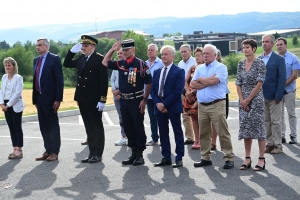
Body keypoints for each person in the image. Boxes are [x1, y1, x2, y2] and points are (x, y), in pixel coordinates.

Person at [102, 39, 152, 166]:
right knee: (128, 127)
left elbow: (148, 82)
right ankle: (133, 153)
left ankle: (140, 154)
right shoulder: (121, 63)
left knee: (138, 127)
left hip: (136, 100)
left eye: (127, 50)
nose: (124, 52)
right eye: (123, 50)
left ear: (133, 50)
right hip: (124, 100)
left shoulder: (140, 64)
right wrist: (113, 50)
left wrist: (144, 100)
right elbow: (105, 62)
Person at [64, 35, 108, 163]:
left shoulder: (99, 59)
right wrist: (71, 52)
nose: (83, 48)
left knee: (96, 126)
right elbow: (66, 64)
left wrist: (102, 100)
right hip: (82, 98)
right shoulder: (81, 58)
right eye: (82, 46)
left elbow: (103, 82)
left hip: (94, 99)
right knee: (88, 127)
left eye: (86, 46)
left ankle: (98, 154)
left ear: (92, 47)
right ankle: (91, 153)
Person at [190, 44, 235, 169]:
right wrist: (207, 81)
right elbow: (193, 84)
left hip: (216, 104)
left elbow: (214, 81)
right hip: (202, 105)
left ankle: (229, 157)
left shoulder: (221, 67)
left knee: (222, 132)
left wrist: (202, 80)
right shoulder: (199, 68)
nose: (205, 55)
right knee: (204, 133)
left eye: (207, 53)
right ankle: (205, 157)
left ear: (215, 55)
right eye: (204, 53)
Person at [151, 45, 185, 168]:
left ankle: (179, 157)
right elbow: (153, 91)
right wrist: (158, 104)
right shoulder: (157, 71)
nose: (163, 56)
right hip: (159, 107)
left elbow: (178, 91)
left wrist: (165, 104)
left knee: (177, 132)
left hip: (172, 106)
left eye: (166, 54)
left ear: (172, 56)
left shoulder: (179, 71)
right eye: (162, 54)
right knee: (163, 132)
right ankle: (166, 157)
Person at [236, 39, 267, 171]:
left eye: (247, 47)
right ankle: (247, 158)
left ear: (254, 49)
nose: (245, 49)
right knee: (246, 128)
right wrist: (242, 100)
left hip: (255, 100)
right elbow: (238, 83)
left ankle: (261, 159)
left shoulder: (260, 63)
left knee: (259, 128)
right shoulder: (240, 64)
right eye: (243, 47)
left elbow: (259, 83)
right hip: (243, 101)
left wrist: (248, 100)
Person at [33, 38, 64, 162]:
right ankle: (48, 150)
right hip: (39, 98)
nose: (37, 47)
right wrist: (35, 99)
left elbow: (59, 80)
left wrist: (58, 99)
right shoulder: (36, 60)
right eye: (36, 45)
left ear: (46, 46)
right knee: (43, 125)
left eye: (40, 45)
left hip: (51, 99)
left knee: (52, 125)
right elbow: (36, 78)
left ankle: (55, 152)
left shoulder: (54, 59)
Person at [258, 34, 286, 154]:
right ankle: (269, 144)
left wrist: (278, 96)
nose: (264, 43)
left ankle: (278, 145)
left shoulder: (279, 59)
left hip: (275, 96)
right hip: (261, 95)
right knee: (266, 121)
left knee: (276, 121)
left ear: (272, 44)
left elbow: (282, 78)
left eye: (267, 41)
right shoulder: (259, 59)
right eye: (263, 41)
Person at [276, 37, 300, 144]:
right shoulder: (274, 58)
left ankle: (293, 135)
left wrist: (282, 85)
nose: (279, 46)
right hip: (277, 91)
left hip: (289, 90)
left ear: (286, 45)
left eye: (281, 44)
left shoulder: (293, 58)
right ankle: (282, 135)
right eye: (277, 45)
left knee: (291, 113)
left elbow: (294, 75)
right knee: (279, 114)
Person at [0, 57, 25, 159]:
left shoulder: (18, 78)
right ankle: (14, 148)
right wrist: (1, 103)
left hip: (15, 104)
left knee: (17, 127)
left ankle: (19, 149)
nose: (7, 67)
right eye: (6, 65)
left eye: (9, 65)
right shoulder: (4, 77)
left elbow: (17, 93)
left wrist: (8, 105)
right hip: (5, 104)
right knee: (11, 127)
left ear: (13, 66)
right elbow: (1, 91)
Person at [183, 47, 204, 149]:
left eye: (199, 56)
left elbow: (203, 83)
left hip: (200, 96)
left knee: (202, 120)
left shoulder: (205, 68)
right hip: (190, 97)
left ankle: (203, 140)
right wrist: (188, 92)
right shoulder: (192, 68)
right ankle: (196, 140)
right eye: (196, 56)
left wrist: (193, 91)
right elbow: (186, 81)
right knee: (194, 119)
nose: (197, 58)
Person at [211, 50, 230, 150]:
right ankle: (213, 142)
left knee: (221, 121)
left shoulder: (222, 67)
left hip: (222, 96)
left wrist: (206, 80)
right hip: (211, 96)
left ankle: (223, 144)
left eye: (216, 55)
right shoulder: (206, 68)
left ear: (218, 56)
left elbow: (216, 81)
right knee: (212, 122)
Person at [145, 44, 164, 146]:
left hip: (158, 95)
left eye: (152, 50)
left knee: (160, 117)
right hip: (148, 95)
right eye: (149, 50)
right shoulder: (144, 63)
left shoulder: (161, 63)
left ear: (156, 52)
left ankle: (163, 137)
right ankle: (154, 137)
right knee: (152, 117)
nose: (150, 52)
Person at [178, 44, 197, 145]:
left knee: (196, 115)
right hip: (183, 92)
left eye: (185, 51)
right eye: (181, 52)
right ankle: (190, 137)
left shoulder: (195, 62)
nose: (183, 53)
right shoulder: (180, 63)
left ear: (190, 51)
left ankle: (200, 138)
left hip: (194, 91)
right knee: (186, 115)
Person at [111, 49, 128, 146]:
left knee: (127, 116)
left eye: (121, 53)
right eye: (118, 53)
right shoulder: (116, 66)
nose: (119, 55)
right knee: (121, 117)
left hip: (124, 94)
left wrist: (120, 92)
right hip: (116, 93)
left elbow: (128, 81)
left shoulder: (128, 65)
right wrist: (114, 90)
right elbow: (112, 79)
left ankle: (130, 136)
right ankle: (123, 136)